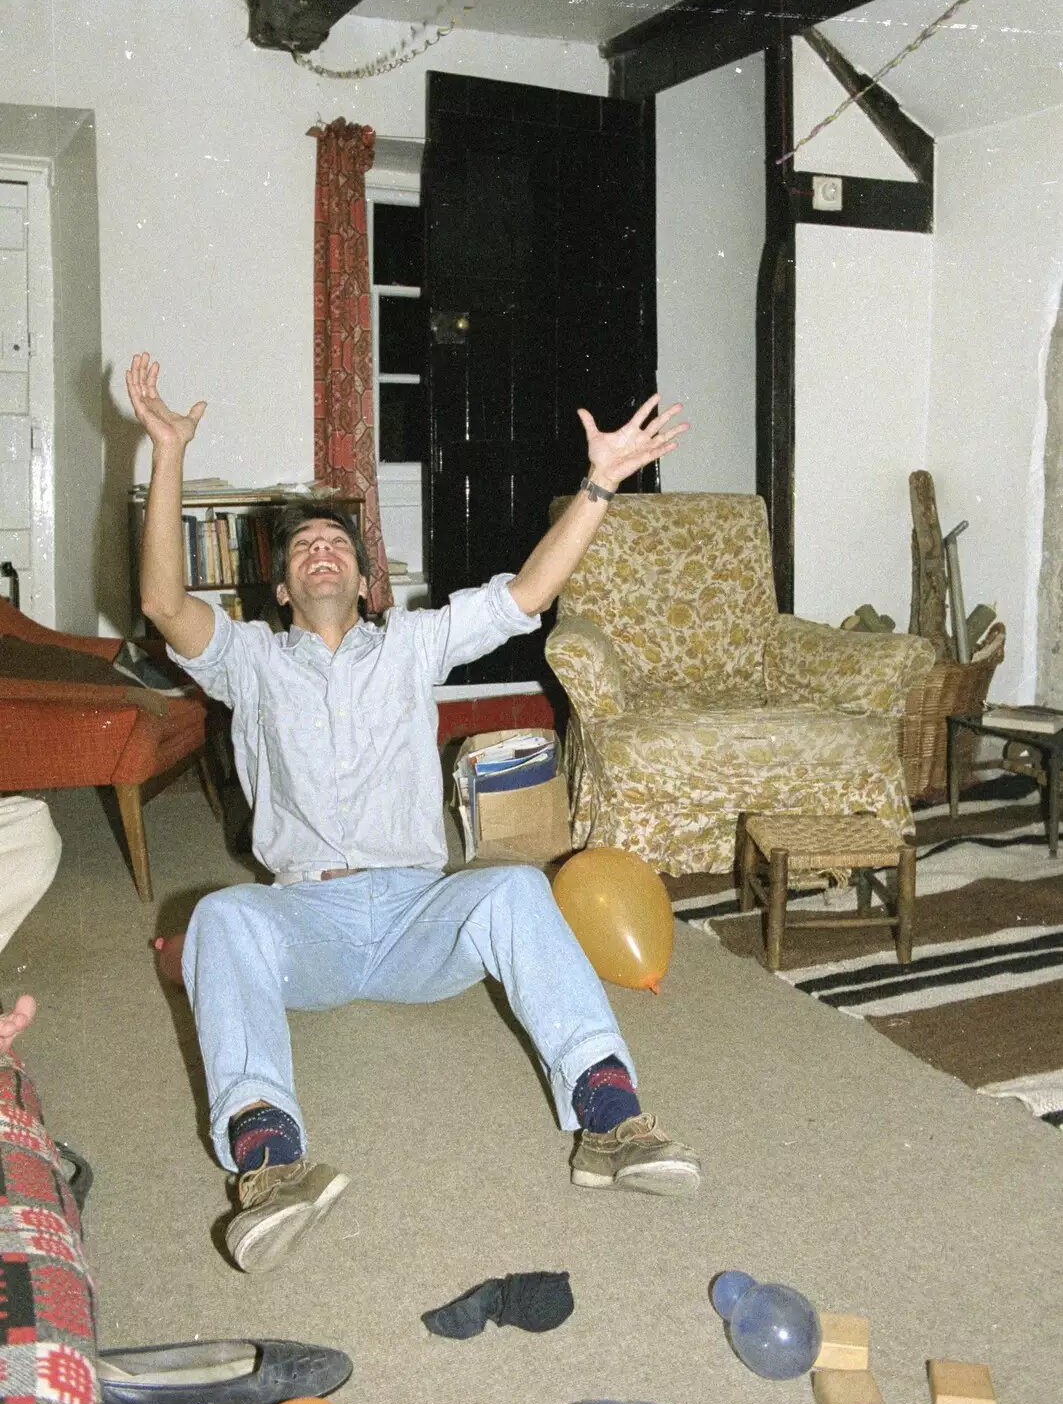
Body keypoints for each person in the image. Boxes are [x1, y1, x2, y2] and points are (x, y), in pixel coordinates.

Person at [126, 351, 700, 1275]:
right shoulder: (247, 662)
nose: (322, 549)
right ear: (279, 591)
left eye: (340, 547)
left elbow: (528, 595)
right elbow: (161, 600)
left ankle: (609, 1116)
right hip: (303, 919)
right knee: (223, 915)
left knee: (515, 890)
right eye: (304, 548)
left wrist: (599, 483)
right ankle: (271, 1163)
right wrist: (165, 452)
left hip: (413, 917)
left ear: (365, 583)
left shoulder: (409, 646)